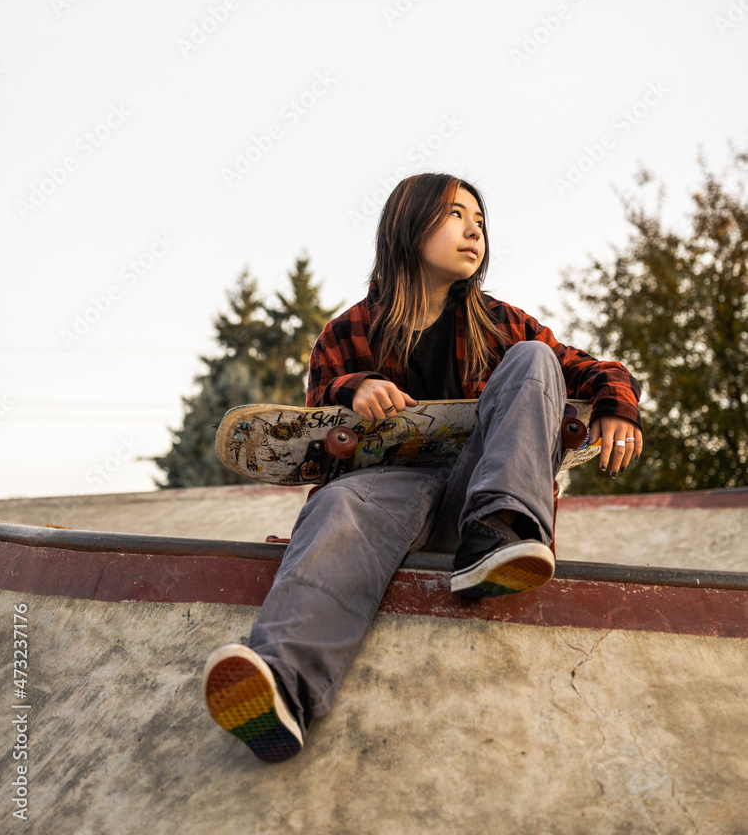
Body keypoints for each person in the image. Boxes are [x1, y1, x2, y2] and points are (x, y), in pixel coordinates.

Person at [202, 173, 643, 763]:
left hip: (480, 500)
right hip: (384, 511)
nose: (474, 231)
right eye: (456, 215)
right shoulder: (347, 332)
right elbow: (315, 434)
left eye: (480, 222)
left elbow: (594, 369)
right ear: (409, 227)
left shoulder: (501, 323)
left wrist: (618, 407)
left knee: (536, 359)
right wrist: (351, 389)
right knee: (338, 502)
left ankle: (503, 534)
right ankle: (283, 689)